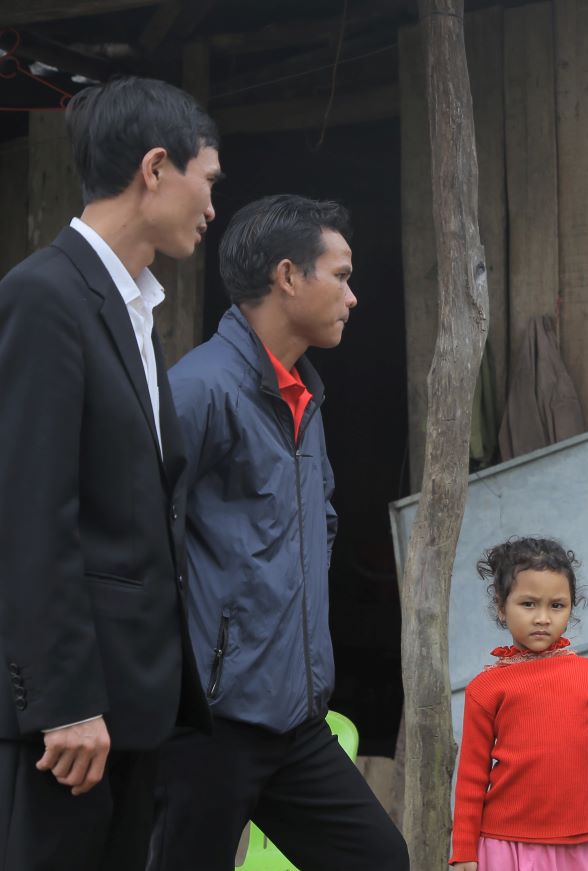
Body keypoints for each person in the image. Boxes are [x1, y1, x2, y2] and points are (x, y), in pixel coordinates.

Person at [149, 194, 408, 870]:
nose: (353, 297)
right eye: (342, 275)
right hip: (211, 722)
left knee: (380, 858)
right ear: (288, 276)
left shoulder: (304, 395)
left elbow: (313, 524)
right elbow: (139, 539)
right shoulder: (199, 390)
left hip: (293, 716)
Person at [0, 76, 218, 870]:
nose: (210, 206)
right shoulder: (43, 297)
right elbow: (30, 510)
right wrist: (64, 704)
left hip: (132, 707)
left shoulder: (135, 307)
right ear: (155, 169)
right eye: (207, 180)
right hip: (73, 724)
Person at [450, 537, 588, 870]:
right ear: (502, 608)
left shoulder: (585, 673)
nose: (543, 618)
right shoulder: (485, 688)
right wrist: (464, 852)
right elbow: (472, 777)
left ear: (571, 608)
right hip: (507, 845)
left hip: (574, 844)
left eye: (557, 605)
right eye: (528, 604)